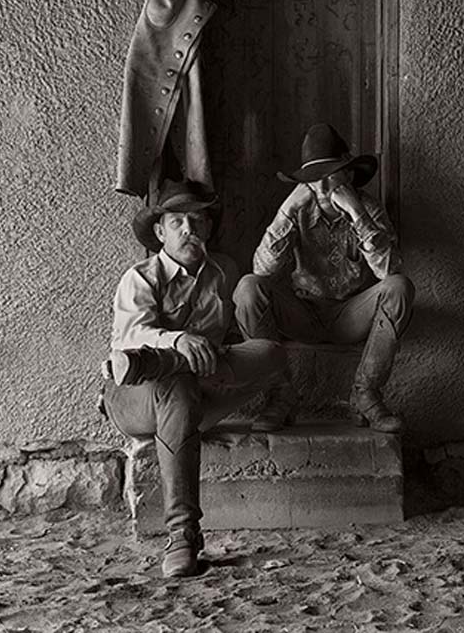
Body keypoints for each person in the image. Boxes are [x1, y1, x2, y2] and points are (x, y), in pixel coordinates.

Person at [100, 178, 285, 578]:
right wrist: (179, 341)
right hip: (134, 395)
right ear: (160, 232)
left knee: (270, 354)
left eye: (198, 221)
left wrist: (209, 354)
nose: (190, 229)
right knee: (176, 386)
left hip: (204, 387)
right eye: (178, 221)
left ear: (209, 229)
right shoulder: (141, 277)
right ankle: (183, 535)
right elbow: (130, 339)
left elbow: (238, 339)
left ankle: (176, 369)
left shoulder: (225, 271)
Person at [234, 123, 415, 433]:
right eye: (316, 181)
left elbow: (389, 271)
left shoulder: (367, 208)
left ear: (349, 176)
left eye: (333, 177)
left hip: (349, 315)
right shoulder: (298, 210)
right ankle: (280, 394)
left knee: (399, 287)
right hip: (303, 312)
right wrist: (286, 211)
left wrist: (358, 214)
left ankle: (365, 394)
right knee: (248, 288)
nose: (324, 188)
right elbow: (262, 270)